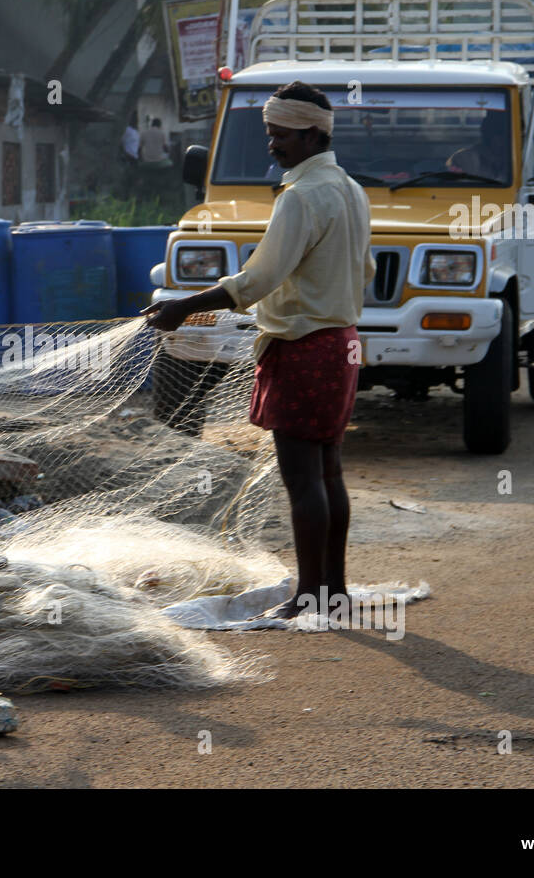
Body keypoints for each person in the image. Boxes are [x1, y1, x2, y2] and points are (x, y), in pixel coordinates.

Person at [144, 80, 375, 621]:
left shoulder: (301, 197)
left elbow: (260, 277)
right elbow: (361, 269)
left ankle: (310, 596)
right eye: (270, 134)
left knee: (301, 478)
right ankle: (332, 589)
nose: (273, 145)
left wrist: (185, 306)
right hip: (342, 345)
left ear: (314, 135)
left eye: (283, 136)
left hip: (303, 347)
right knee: (329, 472)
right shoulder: (351, 189)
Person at [447, 111, 511, 183]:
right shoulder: (464, 158)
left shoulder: (514, 159)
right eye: (499, 134)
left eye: (506, 134)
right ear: (488, 135)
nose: (503, 140)